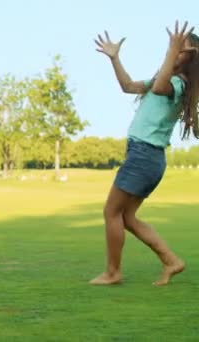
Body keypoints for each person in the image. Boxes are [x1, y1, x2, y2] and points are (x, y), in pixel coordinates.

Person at [90, 21, 199, 286]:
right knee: (126, 216)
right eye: (173, 45)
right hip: (144, 156)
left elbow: (161, 87)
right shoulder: (163, 77)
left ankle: (113, 272)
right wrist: (115, 58)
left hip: (144, 156)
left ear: (190, 58)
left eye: (180, 48)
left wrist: (171, 52)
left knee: (111, 212)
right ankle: (171, 261)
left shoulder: (179, 83)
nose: (173, 49)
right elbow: (127, 86)